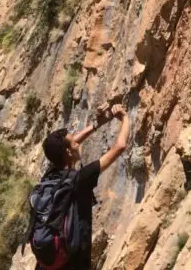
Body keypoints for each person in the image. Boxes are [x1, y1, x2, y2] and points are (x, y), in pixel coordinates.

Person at [29, 105, 130, 269]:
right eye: (74, 142)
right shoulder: (81, 179)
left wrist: (100, 122)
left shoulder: (49, 176)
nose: (78, 143)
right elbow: (119, 147)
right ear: (68, 152)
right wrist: (125, 117)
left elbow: (71, 142)